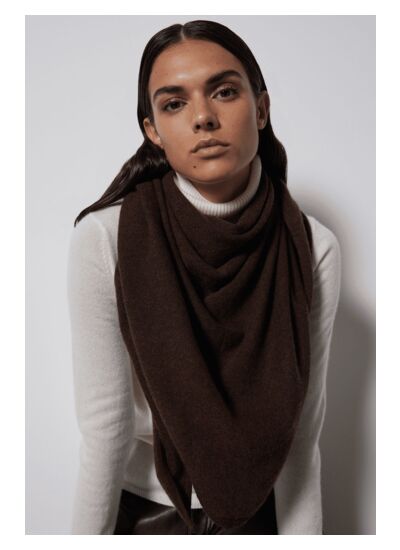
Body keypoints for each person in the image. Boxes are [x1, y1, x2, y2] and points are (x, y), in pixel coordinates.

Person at [67, 19, 341, 535]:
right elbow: (106, 429)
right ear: (153, 130)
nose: (203, 118)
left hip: (265, 513)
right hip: (146, 514)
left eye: (224, 92)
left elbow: (301, 433)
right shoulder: (105, 239)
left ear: (261, 109)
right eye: (174, 104)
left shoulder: (313, 246)